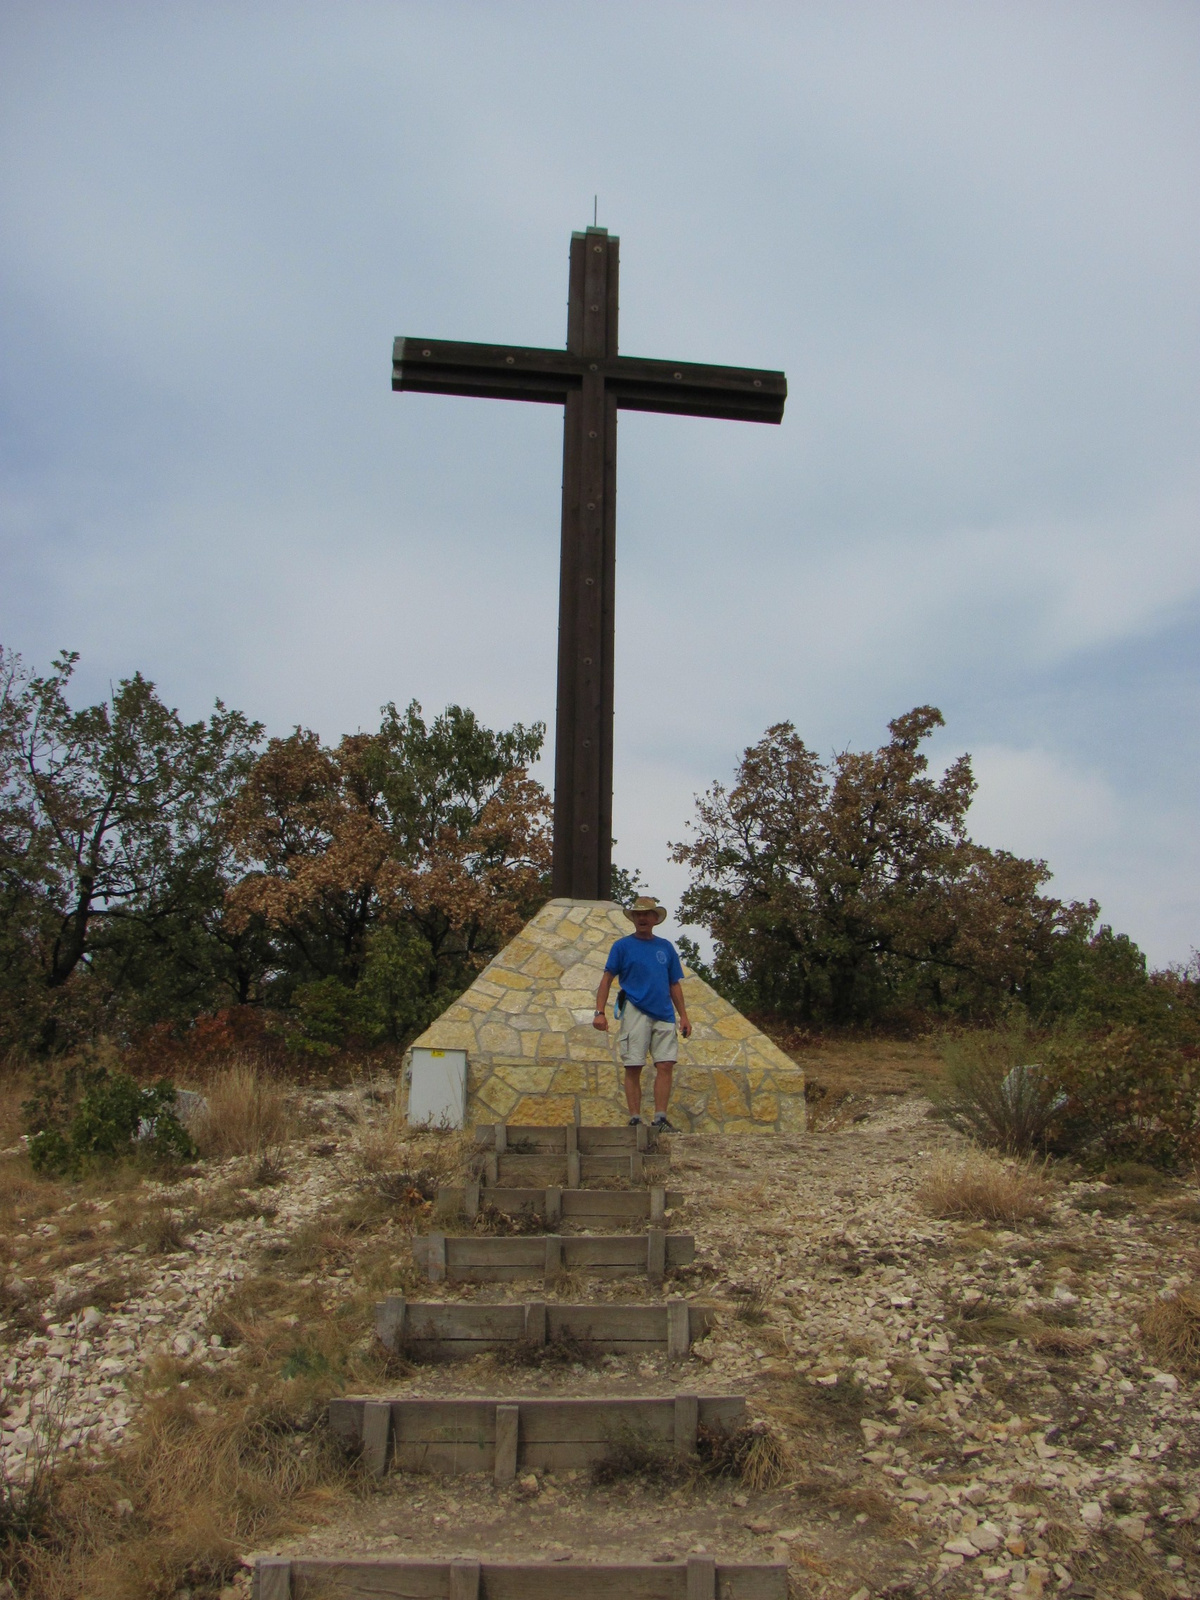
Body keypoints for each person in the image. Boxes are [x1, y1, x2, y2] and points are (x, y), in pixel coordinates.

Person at [593, 895, 692, 1131]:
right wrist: (600, 1012)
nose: (642, 918)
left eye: (646, 914)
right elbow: (607, 978)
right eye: (638, 914)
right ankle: (635, 1117)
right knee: (634, 1065)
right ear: (633, 918)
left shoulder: (665, 947)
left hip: (664, 1013)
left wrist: (684, 1016)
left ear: (655, 918)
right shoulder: (622, 946)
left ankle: (660, 1118)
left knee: (666, 1064)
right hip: (635, 1009)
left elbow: (674, 983)